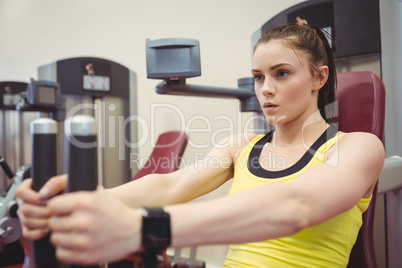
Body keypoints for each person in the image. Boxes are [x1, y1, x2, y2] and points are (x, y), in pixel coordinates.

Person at [16, 23, 385, 267]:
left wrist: (141, 227)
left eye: (281, 74)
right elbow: (170, 184)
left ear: (319, 77)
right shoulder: (242, 146)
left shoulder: (357, 148)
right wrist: (88, 200)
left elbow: (295, 207)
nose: (265, 90)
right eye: (258, 77)